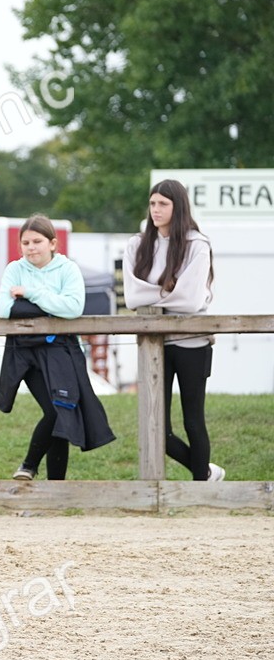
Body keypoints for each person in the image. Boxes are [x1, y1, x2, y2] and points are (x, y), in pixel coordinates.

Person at [0, 214, 114, 480]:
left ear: (52, 243)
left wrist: (30, 295)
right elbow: (6, 310)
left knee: (63, 410)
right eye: (25, 242)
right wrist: (51, 306)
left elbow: (72, 308)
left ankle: (50, 482)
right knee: (54, 410)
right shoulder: (14, 269)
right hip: (25, 353)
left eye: (37, 241)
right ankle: (29, 466)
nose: (31, 247)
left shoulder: (67, 269)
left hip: (61, 351)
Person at [123, 180, 222, 481]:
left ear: (177, 207)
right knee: (158, 427)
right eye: (152, 203)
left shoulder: (197, 245)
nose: (156, 210)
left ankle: (200, 487)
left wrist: (155, 296)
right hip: (156, 345)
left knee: (193, 420)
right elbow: (132, 297)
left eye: (163, 204)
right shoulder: (137, 245)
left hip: (193, 343)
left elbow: (191, 300)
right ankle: (206, 473)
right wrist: (168, 293)